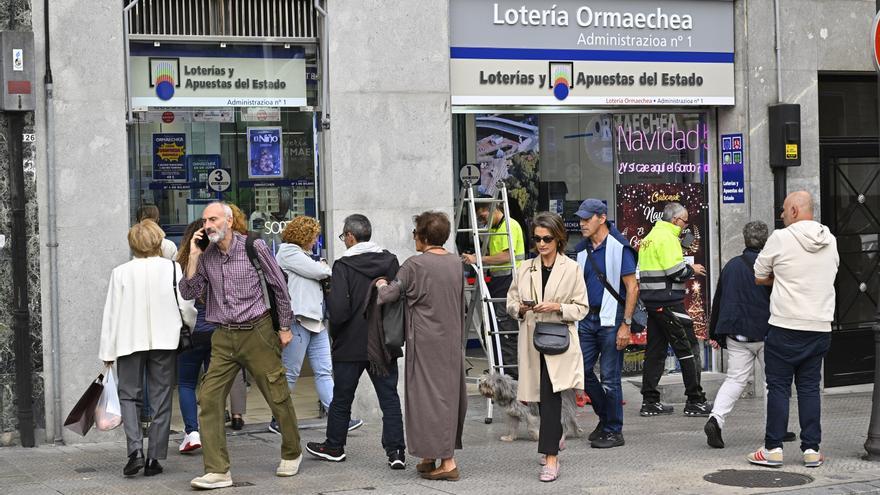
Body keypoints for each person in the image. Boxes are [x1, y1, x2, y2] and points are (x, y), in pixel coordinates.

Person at [180, 202, 302, 490]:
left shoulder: (254, 246)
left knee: (276, 394)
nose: (208, 224)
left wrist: (284, 326)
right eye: (205, 220)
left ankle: (291, 452)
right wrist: (194, 256)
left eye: (213, 219)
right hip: (222, 335)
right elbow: (188, 291)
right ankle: (217, 470)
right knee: (209, 399)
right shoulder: (206, 255)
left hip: (257, 331)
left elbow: (279, 287)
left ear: (229, 221)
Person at [306, 214, 406, 469]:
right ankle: (396, 452)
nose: (344, 240)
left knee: (342, 398)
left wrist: (335, 329)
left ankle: (334, 446)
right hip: (382, 342)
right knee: (389, 398)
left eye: (343, 236)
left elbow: (338, 311)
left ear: (350, 236)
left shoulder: (343, 266)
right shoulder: (390, 261)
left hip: (350, 344)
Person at [747, 191, 838, 468]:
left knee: (778, 387)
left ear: (796, 211)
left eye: (785, 210)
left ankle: (773, 448)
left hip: (786, 325)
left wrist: (781, 278)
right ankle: (812, 450)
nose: (782, 215)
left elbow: (759, 273)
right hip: (820, 325)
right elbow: (831, 273)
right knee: (810, 388)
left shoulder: (781, 237)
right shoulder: (830, 240)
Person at [99, 220, 196, 477]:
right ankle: (154, 457)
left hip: (129, 341)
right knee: (162, 397)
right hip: (165, 339)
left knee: (128, 395)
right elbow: (186, 305)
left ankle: (134, 451)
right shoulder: (173, 268)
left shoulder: (120, 272)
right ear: (158, 241)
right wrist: (188, 326)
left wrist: (107, 353)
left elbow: (111, 314)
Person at [377, 211, 467, 481]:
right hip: (451, 341)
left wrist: (380, 282)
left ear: (424, 237)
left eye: (415, 233)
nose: (414, 238)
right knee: (447, 396)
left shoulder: (414, 265)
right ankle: (431, 456)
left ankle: (448, 462)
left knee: (426, 398)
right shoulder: (455, 263)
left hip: (425, 341)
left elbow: (388, 294)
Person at [507, 212, 588, 482]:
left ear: (559, 238)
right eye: (537, 239)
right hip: (532, 339)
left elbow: (581, 308)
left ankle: (551, 457)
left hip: (557, 339)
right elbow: (511, 302)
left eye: (547, 239)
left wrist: (557, 307)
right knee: (540, 399)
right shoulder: (525, 267)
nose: (541, 244)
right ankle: (553, 439)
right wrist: (520, 308)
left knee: (552, 398)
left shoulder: (571, 268)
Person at [269, 216, 363, 434]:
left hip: (316, 321)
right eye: (313, 237)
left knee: (324, 371)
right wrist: (322, 265)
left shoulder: (303, 255)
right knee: (290, 372)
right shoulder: (288, 252)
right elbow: (321, 271)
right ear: (303, 236)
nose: (315, 241)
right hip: (298, 319)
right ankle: (277, 419)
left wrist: (319, 264)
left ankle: (339, 418)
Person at [573, 199, 638, 449]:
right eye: (581, 219)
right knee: (581, 373)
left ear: (601, 218)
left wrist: (626, 324)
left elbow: (632, 287)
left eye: (587, 219)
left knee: (610, 378)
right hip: (586, 319)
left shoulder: (619, 247)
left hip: (612, 321)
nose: (582, 223)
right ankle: (606, 419)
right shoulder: (580, 250)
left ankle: (613, 430)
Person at [638, 202, 711, 417]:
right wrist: (692, 268)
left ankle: (650, 401)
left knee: (655, 352)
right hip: (669, 302)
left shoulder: (650, 237)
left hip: (653, 303)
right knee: (688, 349)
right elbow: (676, 272)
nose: (685, 226)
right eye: (684, 221)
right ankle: (695, 401)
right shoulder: (667, 237)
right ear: (675, 220)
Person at [461, 199, 525, 379]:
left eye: (483, 214)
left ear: (494, 210)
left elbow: (506, 255)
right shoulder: (495, 228)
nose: (482, 219)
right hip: (498, 281)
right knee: (490, 327)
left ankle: (510, 376)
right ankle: (500, 371)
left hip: (509, 280)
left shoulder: (509, 225)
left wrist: (478, 259)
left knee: (504, 329)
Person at [224, 203, 251, 431]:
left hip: (221, 320)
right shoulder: (249, 245)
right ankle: (237, 415)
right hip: (247, 318)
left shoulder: (210, 248)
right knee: (237, 371)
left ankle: (213, 415)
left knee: (216, 371)